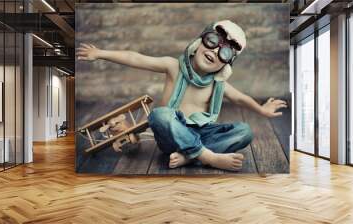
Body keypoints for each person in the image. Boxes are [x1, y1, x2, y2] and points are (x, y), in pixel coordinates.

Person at [77, 20, 287, 171]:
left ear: (226, 64)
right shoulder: (173, 67)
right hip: (171, 135)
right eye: (212, 41)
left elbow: (241, 98)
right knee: (159, 115)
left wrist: (262, 109)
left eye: (224, 53)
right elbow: (137, 58)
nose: (214, 52)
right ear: (199, 43)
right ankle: (207, 156)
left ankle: (190, 157)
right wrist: (101, 53)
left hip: (200, 134)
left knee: (245, 131)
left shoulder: (217, 84)